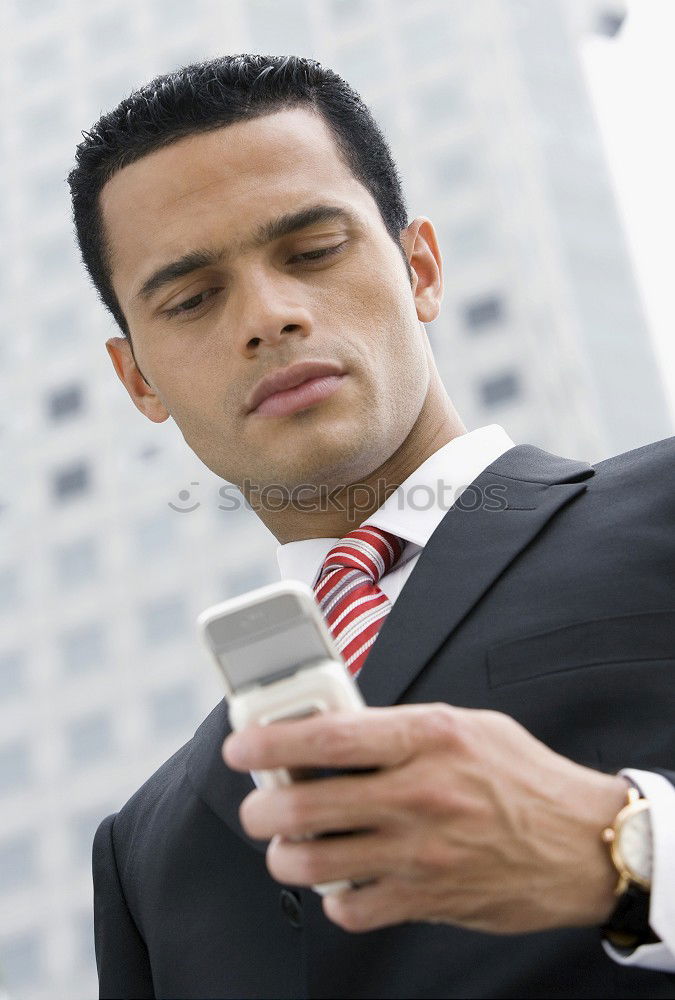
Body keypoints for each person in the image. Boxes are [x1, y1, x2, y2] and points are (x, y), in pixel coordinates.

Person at [67, 55, 674, 999]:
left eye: (312, 251)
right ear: (139, 380)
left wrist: (628, 854)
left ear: (421, 267)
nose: (268, 317)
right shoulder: (146, 849)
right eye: (190, 300)